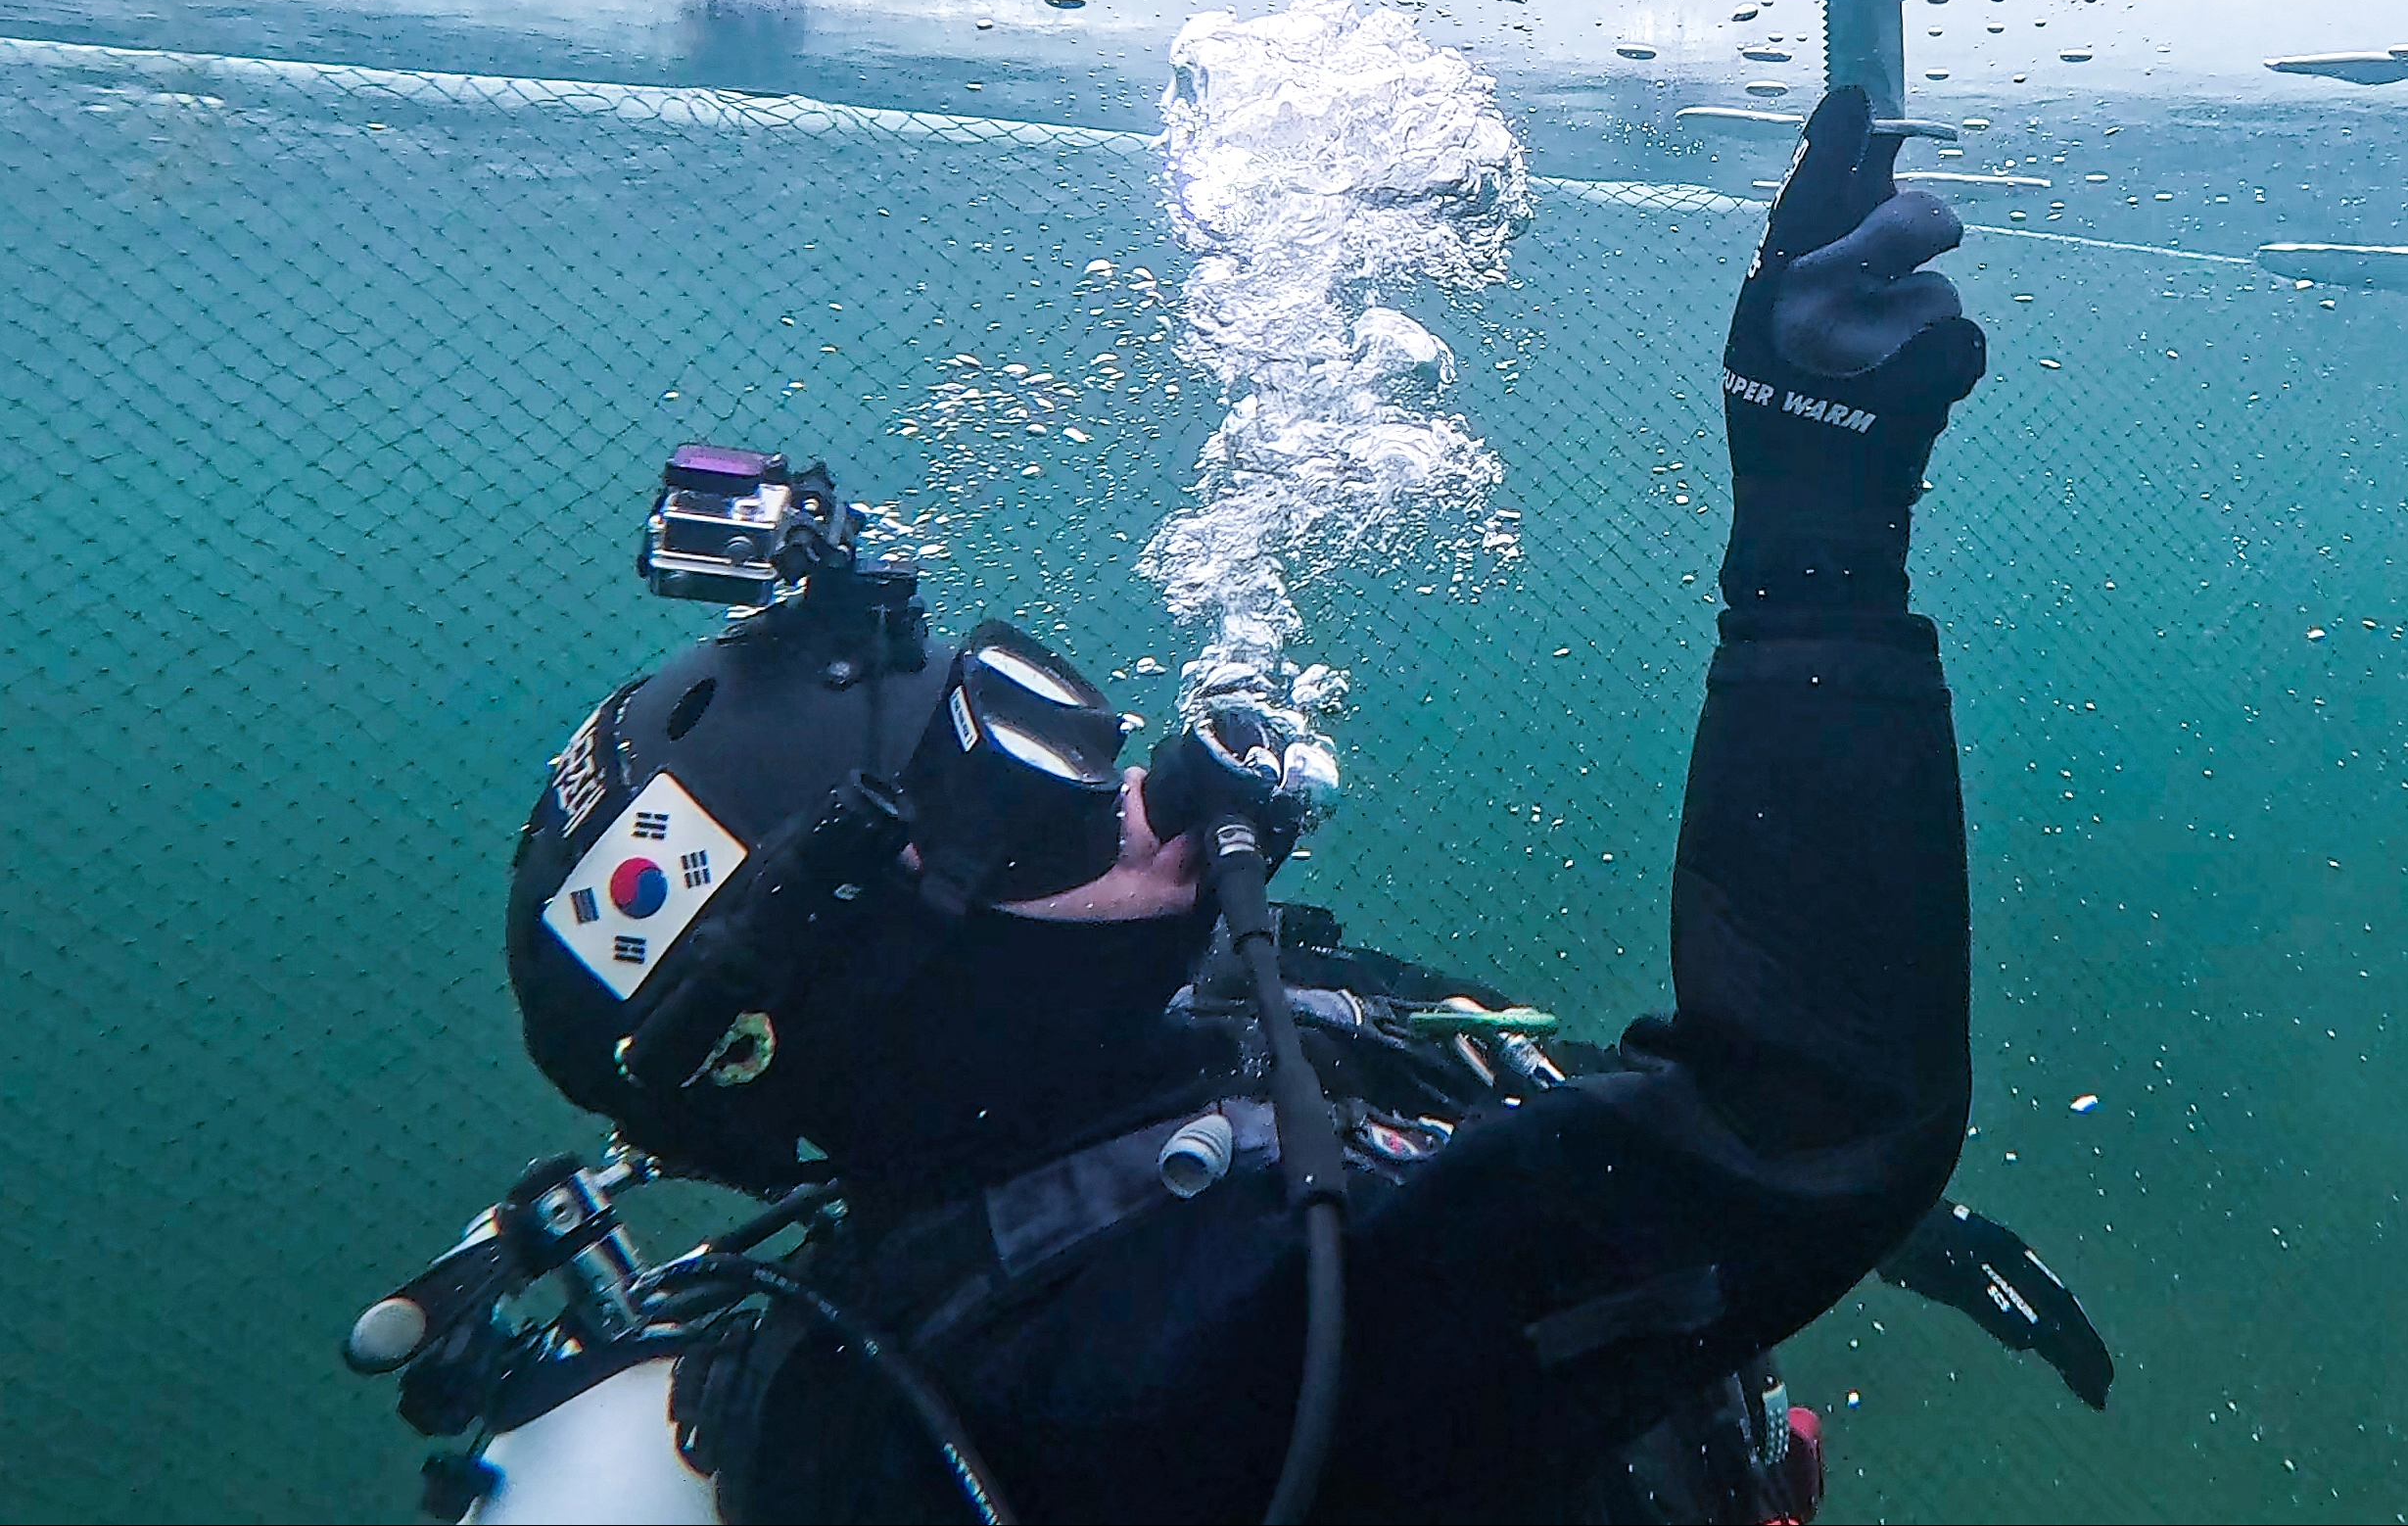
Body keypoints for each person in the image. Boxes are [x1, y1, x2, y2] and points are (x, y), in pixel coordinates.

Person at [491, 87, 2101, 1524]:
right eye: (1029, 798)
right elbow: (1801, 1121)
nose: (1142, 794)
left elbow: (1504, 1074)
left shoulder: (1153, 1057)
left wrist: (1879, 1236)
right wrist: (1816, 540)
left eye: (1070, 729)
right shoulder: (1136, 1370)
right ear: (898, 986)